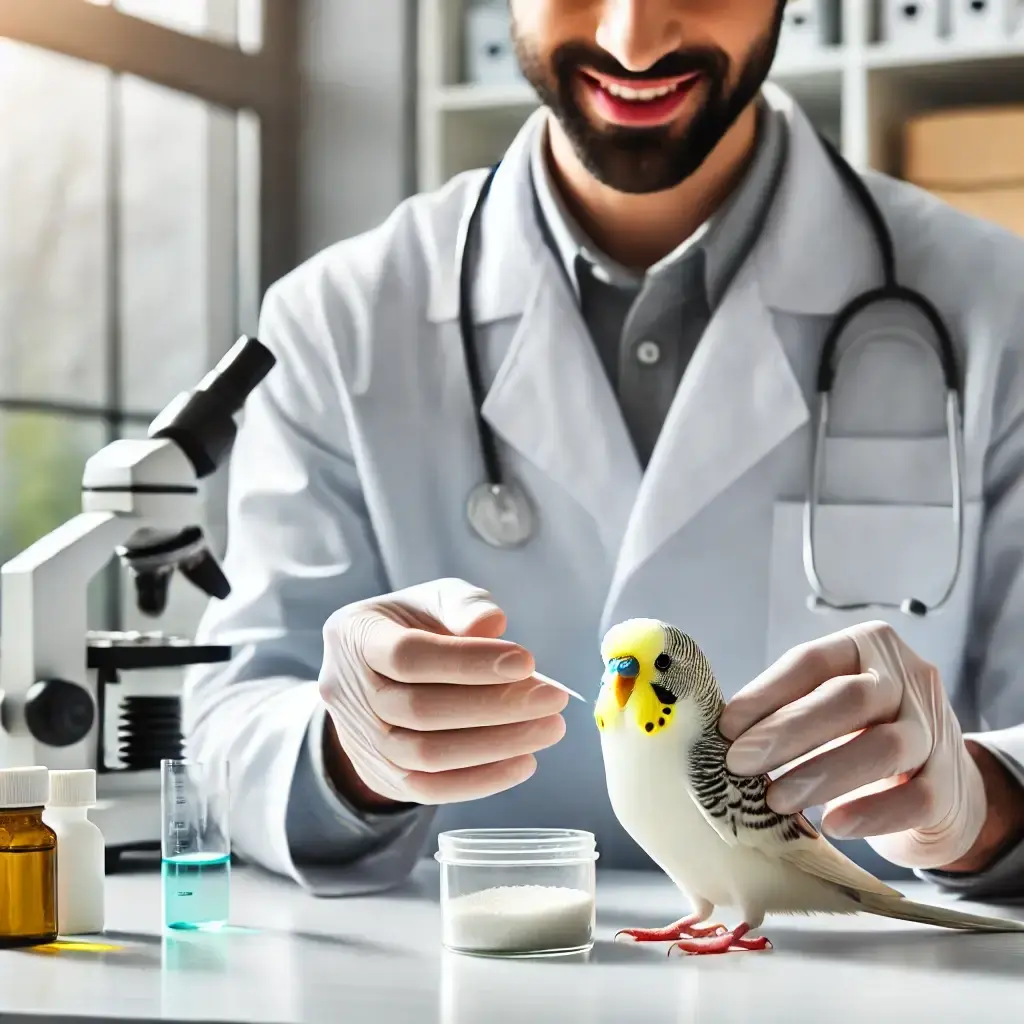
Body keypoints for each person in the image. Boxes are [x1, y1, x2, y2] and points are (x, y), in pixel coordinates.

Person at [184, 0, 1024, 899]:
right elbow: (231, 720)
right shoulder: (338, 319)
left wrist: (985, 804)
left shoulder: (994, 305)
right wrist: (352, 754)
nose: (632, 41)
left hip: (861, 975)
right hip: (467, 979)